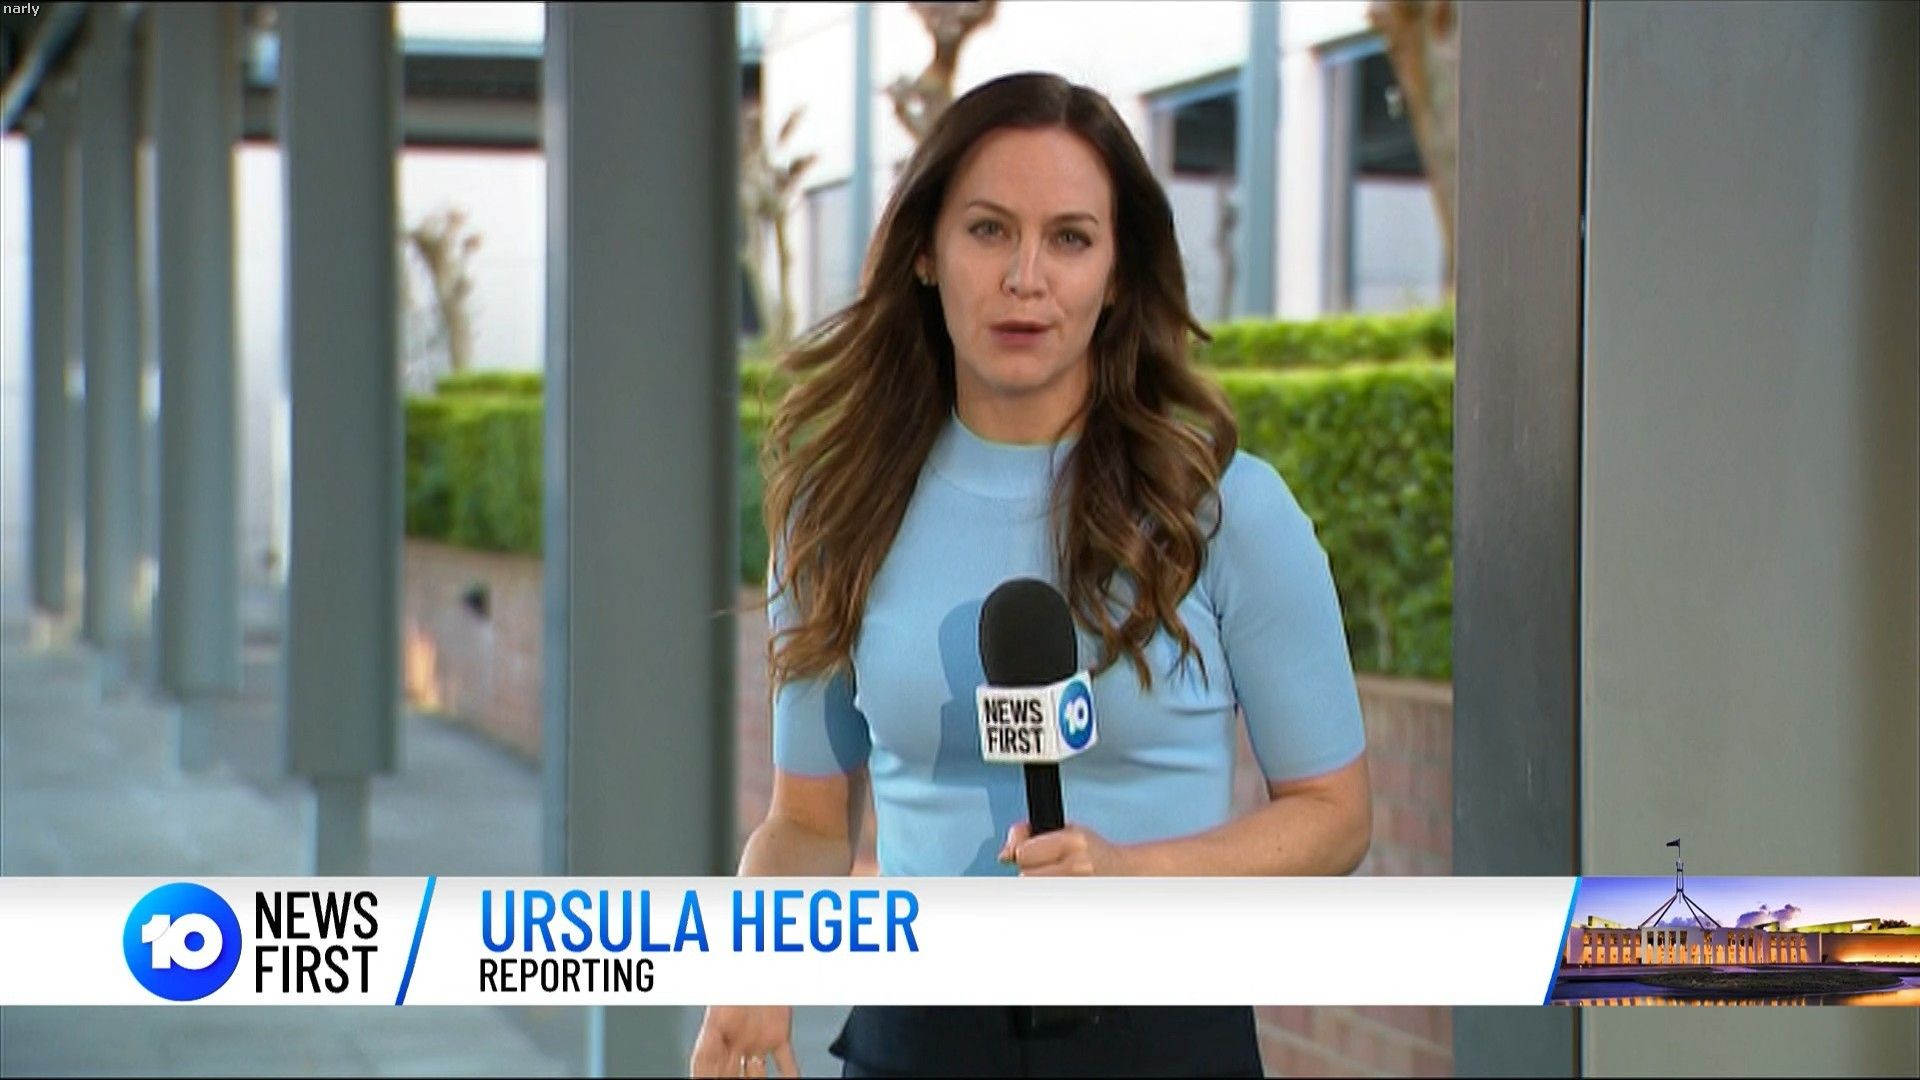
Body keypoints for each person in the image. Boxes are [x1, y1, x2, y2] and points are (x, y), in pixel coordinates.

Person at [691, 71, 1372, 1079]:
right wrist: (751, 963)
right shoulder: (837, 513)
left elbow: (1336, 815)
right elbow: (804, 825)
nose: (1025, 277)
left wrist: (1134, 876)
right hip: (915, 1043)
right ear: (925, 252)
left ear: (1118, 271)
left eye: (1070, 238)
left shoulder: (1226, 510)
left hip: (1163, 1043)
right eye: (988, 230)